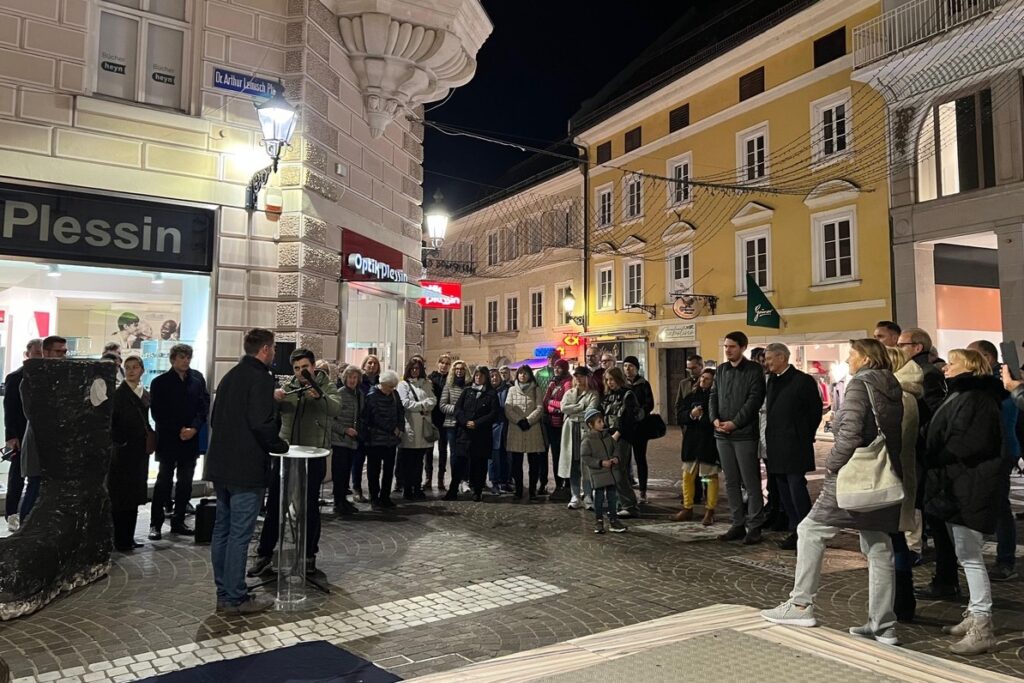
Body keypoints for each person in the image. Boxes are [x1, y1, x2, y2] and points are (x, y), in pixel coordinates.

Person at [762, 338, 904, 647]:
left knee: (810, 530)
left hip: (853, 474)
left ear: (865, 358)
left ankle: (800, 604)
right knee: (879, 546)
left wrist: (833, 466)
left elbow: (851, 432)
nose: (849, 359)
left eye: (853, 354)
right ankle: (884, 624)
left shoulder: (858, 386)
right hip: (882, 476)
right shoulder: (891, 385)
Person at [923, 348, 1006, 655]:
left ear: (968, 367)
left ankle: (982, 625)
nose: (946, 367)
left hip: (969, 485)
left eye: (953, 362)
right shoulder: (963, 395)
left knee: (970, 556)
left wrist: (936, 456)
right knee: (965, 552)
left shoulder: (976, 399)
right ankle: (974, 612)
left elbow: (966, 442)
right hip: (959, 483)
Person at [205, 328, 288, 614]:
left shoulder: (230, 376)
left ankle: (223, 590)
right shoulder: (261, 379)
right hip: (246, 468)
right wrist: (279, 444)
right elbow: (261, 423)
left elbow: (215, 418)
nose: (275, 353)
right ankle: (235, 596)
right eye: (274, 348)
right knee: (240, 533)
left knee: (223, 531)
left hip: (221, 465)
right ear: (265, 349)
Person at [250, 348, 340, 577]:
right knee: (275, 507)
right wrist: (274, 399)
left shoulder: (326, 386)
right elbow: (269, 415)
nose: (301, 372)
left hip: (313, 455)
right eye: (297, 368)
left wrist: (318, 395)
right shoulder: (289, 388)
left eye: (305, 367)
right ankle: (265, 554)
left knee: (309, 507)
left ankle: (309, 555)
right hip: (287, 454)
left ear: (313, 367)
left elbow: (335, 408)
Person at [898, 328, 956, 601]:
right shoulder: (912, 370)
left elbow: (932, 414)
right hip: (920, 454)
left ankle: (945, 578)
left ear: (917, 347)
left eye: (903, 344)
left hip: (924, 455)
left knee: (933, 514)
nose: (899, 348)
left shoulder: (925, 373)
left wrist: (916, 433)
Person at [967, 340, 1021, 583]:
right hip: (997, 450)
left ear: (987, 357)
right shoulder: (991, 384)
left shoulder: (1000, 386)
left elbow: (1004, 420)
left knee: (999, 507)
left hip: (1000, 451)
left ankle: (1005, 561)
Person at [763, 343, 823, 550]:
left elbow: (814, 412)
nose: (767, 362)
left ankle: (806, 528)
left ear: (781, 357)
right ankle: (794, 528)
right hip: (776, 444)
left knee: (796, 486)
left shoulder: (802, 381)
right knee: (782, 487)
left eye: (770, 358)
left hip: (795, 443)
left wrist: (803, 434)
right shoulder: (772, 381)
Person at [710, 331, 767, 544]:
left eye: (732, 346)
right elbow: (713, 396)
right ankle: (737, 523)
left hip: (744, 435)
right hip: (722, 434)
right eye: (726, 346)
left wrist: (735, 422)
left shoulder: (754, 371)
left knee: (751, 483)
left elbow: (754, 400)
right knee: (731, 482)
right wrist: (714, 419)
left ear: (742, 347)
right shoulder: (722, 370)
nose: (727, 350)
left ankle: (755, 526)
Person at [148, 343, 210, 540]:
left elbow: (203, 407)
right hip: (168, 438)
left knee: (185, 483)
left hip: (189, 439)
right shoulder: (160, 382)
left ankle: (179, 520)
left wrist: (194, 428)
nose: (185, 361)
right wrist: (179, 430)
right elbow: (158, 412)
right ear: (173, 359)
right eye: (182, 357)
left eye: (188, 357)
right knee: (164, 482)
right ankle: (155, 523)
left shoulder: (196, 380)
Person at [887, 346, 923, 622]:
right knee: (892, 538)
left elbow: (895, 439)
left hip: (893, 473)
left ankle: (900, 602)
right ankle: (898, 601)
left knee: (895, 539)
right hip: (895, 472)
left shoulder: (901, 396)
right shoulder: (900, 393)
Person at [18, 335, 67, 522]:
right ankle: (24, 532)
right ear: (45, 353)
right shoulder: (30, 380)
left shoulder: (65, 378)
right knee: (35, 486)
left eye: (64, 352)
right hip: (38, 441)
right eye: (58, 352)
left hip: (58, 443)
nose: (62, 356)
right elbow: (32, 413)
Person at [108, 356, 153, 551]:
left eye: (135, 367)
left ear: (142, 370)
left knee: (133, 496)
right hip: (124, 453)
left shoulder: (144, 393)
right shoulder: (119, 395)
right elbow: (113, 424)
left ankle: (128, 536)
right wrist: (121, 443)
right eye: (128, 368)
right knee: (121, 496)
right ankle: (120, 538)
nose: (131, 371)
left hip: (139, 452)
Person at [3, 338, 42, 532]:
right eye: (36, 353)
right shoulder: (15, 377)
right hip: (20, 434)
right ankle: (12, 513)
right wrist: (11, 437)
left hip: (38, 436)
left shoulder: (46, 376)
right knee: (17, 475)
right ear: (27, 354)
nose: (40, 357)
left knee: (34, 476)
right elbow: (9, 409)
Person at [673, 368, 720, 525]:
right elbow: (680, 415)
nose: (703, 381)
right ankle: (688, 508)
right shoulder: (691, 396)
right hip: (691, 442)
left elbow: (717, 418)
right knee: (687, 476)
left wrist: (703, 417)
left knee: (708, 477)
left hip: (708, 442)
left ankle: (710, 510)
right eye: (702, 378)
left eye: (707, 379)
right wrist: (691, 415)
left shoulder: (716, 398)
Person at [448, 366, 500, 501]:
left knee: (479, 464)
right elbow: (458, 409)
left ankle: (477, 491)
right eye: (476, 375)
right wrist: (465, 422)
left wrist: (477, 423)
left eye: (481, 375)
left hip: (481, 435)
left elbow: (493, 413)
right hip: (464, 434)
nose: (478, 378)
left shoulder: (491, 394)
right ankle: (453, 490)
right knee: (459, 463)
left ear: (485, 377)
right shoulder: (467, 391)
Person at [558, 366, 601, 510]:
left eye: (581, 376)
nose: (578, 379)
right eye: (576, 376)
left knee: (586, 464)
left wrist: (574, 409)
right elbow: (564, 408)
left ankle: (588, 495)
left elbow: (591, 410)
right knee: (573, 464)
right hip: (571, 430)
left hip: (586, 431)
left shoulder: (593, 394)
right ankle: (575, 495)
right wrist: (581, 406)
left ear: (587, 377)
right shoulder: (569, 393)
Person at [361, 370, 403, 509]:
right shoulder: (372, 396)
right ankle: (374, 498)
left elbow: (400, 412)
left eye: (393, 387)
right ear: (382, 384)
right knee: (374, 471)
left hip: (391, 441)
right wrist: (392, 428)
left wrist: (400, 428)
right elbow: (375, 417)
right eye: (390, 386)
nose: (392, 389)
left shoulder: (394, 394)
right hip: (375, 440)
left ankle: (385, 497)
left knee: (389, 470)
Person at [601, 366, 640, 517]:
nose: (609, 382)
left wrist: (617, 434)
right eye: (607, 379)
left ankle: (630, 505)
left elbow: (629, 419)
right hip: (608, 435)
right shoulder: (608, 396)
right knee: (612, 471)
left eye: (612, 379)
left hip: (622, 438)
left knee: (619, 470)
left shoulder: (628, 394)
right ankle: (620, 502)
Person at [581, 409, 627, 534]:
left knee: (612, 497)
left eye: (602, 421)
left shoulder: (607, 437)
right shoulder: (587, 440)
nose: (602, 424)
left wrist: (616, 458)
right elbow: (586, 457)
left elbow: (616, 449)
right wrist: (600, 463)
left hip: (610, 473)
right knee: (599, 497)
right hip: (599, 474)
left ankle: (613, 520)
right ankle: (599, 521)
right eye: (599, 422)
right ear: (591, 425)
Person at [505, 365, 547, 501]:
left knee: (534, 462)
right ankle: (518, 489)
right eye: (520, 373)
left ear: (530, 375)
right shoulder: (511, 390)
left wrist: (528, 421)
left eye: (525, 373)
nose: (522, 375)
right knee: (516, 462)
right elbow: (508, 409)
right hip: (516, 429)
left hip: (532, 429)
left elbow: (540, 408)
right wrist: (519, 421)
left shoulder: (536, 389)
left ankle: (533, 489)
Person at [398, 357, 436, 501]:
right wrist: (422, 406)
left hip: (423, 429)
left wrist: (422, 405)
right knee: (408, 461)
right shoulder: (403, 385)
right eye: (413, 368)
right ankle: (407, 488)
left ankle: (417, 487)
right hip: (410, 428)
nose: (415, 371)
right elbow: (405, 403)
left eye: (417, 368)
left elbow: (433, 400)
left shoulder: (426, 384)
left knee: (419, 460)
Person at [331, 365, 363, 516]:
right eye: (350, 377)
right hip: (340, 440)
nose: (352, 380)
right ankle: (338, 503)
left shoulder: (358, 394)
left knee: (345, 474)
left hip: (352, 441)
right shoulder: (339, 394)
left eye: (355, 377)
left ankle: (343, 501)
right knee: (339, 473)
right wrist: (344, 430)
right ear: (345, 378)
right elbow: (331, 419)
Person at [622, 356, 654, 504]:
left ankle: (643, 491)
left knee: (640, 459)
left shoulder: (644, 384)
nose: (628, 369)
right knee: (625, 460)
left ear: (636, 368)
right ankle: (627, 490)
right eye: (626, 366)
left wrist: (640, 413)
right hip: (625, 428)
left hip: (640, 428)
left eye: (631, 366)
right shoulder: (621, 384)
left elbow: (650, 403)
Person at [350, 354, 381, 501]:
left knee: (374, 463)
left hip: (375, 427)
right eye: (369, 363)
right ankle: (357, 488)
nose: (372, 366)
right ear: (364, 365)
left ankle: (374, 491)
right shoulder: (358, 382)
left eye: (375, 363)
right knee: (358, 459)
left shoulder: (381, 382)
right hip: (361, 426)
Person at [542, 359, 572, 496]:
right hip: (552, 425)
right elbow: (545, 401)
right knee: (555, 455)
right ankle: (558, 484)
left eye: (559, 367)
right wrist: (553, 407)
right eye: (555, 367)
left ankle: (568, 484)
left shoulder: (568, 383)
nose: (557, 370)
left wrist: (552, 404)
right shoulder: (553, 382)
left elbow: (565, 404)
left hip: (563, 425)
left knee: (565, 455)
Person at [440, 360, 469, 493]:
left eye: (462, 369)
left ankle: (465, 480)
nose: (459, 371)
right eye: (457, 368)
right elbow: (443, 405)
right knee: (455, 454)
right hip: (452, 424)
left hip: (465, 425)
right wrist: (458, 411)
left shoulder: (469, 386)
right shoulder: (448, 386)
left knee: (466, 454)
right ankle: (455, 480)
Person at [426, 354, 451, 490]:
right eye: (442, 363)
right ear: (438, 363)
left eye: (447, 364)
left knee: (443, 449)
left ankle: (441, 478)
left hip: (445, 419)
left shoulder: (450, 379)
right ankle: (428, 478)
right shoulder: (431, 378)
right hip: (432, 418)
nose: (444, 366)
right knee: (428, 449)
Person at [488, 368, 512, 494]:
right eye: (491, 376)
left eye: (496, 376)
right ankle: (494, 482)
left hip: (506, 427)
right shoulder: (487, 391)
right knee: (493, 457)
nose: (494, 378)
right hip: (492, 428)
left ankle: (505, 481)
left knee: (506, 456)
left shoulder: (507, 390)